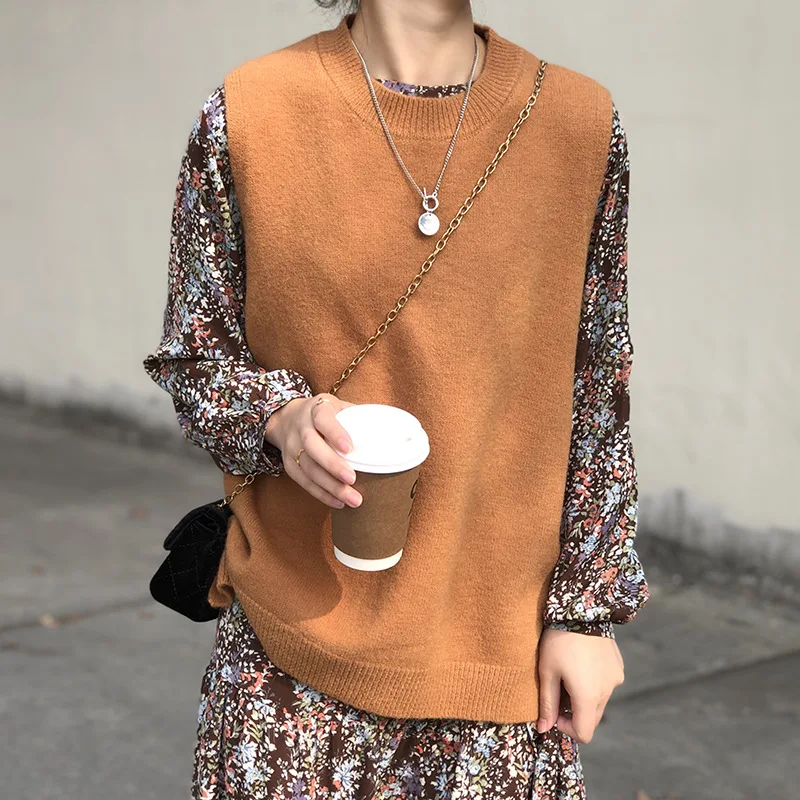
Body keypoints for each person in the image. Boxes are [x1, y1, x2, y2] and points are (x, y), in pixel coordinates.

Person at [143, 1, 650, 797]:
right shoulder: (248, 111)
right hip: (289, 668)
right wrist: (280, 418)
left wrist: (586, 613)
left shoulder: (578, 123)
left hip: (497, 666)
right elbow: (194, 355)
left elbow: (599, 385)